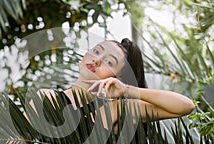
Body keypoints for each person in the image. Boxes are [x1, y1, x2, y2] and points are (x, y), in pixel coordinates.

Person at [39, 38, 195, 130]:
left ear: (117, 78)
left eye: (109, 62)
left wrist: (127, 90)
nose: (97, 60)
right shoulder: (45, 97)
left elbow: (185, 106)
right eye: (97, 51)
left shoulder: (115, 110)